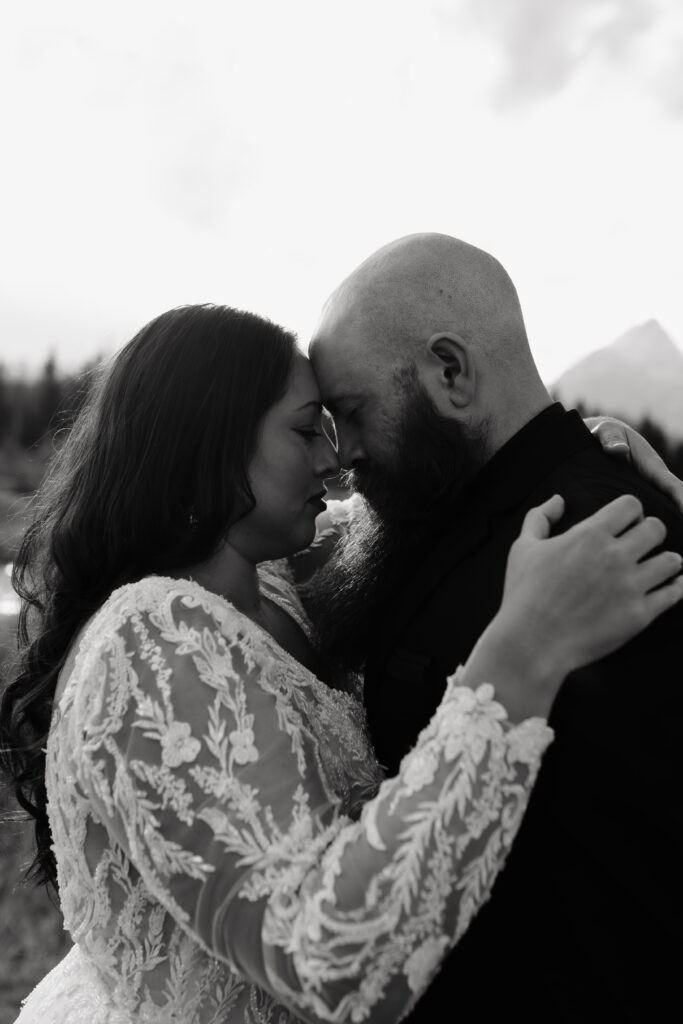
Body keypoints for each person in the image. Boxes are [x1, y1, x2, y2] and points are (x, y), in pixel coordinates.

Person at [1, 305, 680, 1024]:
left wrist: (565, 458)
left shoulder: (270, 594)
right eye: (305, 430)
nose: (333, 458)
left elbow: (412, 513)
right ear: (208, 443)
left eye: (335, 425)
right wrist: (522, 656)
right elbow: (328, 964)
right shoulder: (148, 639)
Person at [308, 233, 683, 1022]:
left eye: (351, 413)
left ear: (449, 372)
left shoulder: (606, 539)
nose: (343, 457)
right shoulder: (439, 508)